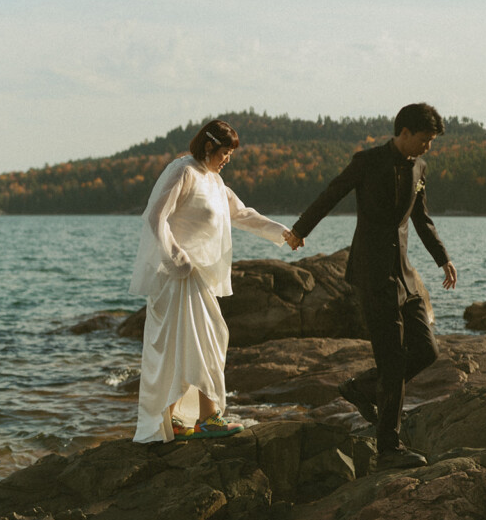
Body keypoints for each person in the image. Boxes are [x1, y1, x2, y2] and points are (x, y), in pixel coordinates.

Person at [287, 102, 457, 469]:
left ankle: (361, 388)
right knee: (392, 362)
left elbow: (421, 218)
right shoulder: (367, 162)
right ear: (404, 132)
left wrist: (442, 258)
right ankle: (388, 450)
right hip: (372, 274)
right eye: (425, 139)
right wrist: (300, 230)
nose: (428, 147)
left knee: (426, 350)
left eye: (432, 141)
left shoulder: (420, 168)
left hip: (405, 276)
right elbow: (332, 194)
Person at [129, 119, 300, 442]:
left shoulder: (215, 182)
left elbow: (244, 214)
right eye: (224, 153)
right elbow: (155, 216)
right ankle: (205, 418)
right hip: (177, 277)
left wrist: (284, 233)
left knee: (203, 343)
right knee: (195, 344)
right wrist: (177, 257)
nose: (227, 160)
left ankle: (176, 418)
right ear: (208, 146)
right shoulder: (183, 171)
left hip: (198, 277)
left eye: (230, 155)